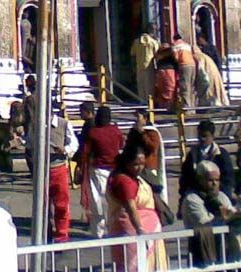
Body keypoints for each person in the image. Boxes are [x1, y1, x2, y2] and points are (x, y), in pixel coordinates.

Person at [106, 146, 169, 271]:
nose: (140, 168)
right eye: (135, 164)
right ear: (127, 162)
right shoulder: (124, 181)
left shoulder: (131, 177)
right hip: (133, 230)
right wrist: (140, 228)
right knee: (135, 265)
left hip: (147, 229)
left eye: (142, 164)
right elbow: (131, 207)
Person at [182, 161, 241, 264]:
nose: (214, 184)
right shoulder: (192, 199)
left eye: (217, 180)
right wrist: (225, 217)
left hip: (225, 252)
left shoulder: (221, 196)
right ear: (200, 180)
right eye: (210, 180)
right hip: (203, 252)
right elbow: (204, 224)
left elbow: (231, 214)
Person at [31, 106, 78, 242]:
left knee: (61, 205)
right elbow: (30, 142)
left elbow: (74, 145)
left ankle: (62, 235)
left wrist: (64, 150)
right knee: (42, 204)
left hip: (59, 169)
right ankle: (46, 233)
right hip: (42, 170)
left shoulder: (64, 124)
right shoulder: (36, 125)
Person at [81, 105, 124, 237]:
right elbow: (121, 146)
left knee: (97, 201)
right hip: (115, 170)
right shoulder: (116, 131)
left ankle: (98, 232)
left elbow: (86, 152)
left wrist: (81, 166)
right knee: (113, 200)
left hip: (98, 170)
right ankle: (114, 228)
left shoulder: (93, 132)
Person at [179, 119, 234, 215]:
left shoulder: (222, 155)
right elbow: (185, 179)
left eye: (205, 136)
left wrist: (217, 191)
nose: (202, 139)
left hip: (218, 193)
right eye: (199, 136)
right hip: (197, 195)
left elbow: (228, 179)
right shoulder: (192, 154)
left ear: (212, 136)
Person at [130, 31, 160, 103]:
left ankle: (142, 101)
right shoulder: (153, 42)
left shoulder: (136, 42)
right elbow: (157, 54)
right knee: (149, 84)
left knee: (141, 84)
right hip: (149, 66)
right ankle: (150, 101)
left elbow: (132, 53)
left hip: (139, 65)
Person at [172, 33, 197, 108]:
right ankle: (193, 108)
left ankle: (187, 108)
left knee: (184, 87)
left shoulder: (175, 45)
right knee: (191, 87)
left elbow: (176, 58)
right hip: (193, 65)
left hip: (184, 65)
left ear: (174, 39)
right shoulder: (187, 45)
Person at [153, 44, 179, 111]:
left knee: (162, 90)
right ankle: (169, 107)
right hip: (169, 71)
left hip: (161, 70)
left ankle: (163, 107)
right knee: (170, 90)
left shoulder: (160, 58)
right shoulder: (171, 57)